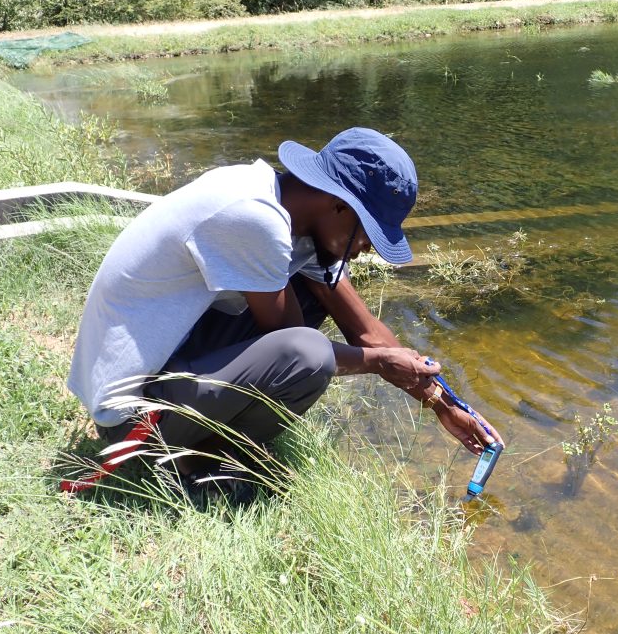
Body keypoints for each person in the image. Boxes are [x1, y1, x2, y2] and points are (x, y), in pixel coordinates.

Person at [67, 127, 503, 501]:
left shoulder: (280, 205)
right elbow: (299, 348)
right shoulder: (253, 218)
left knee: (317, 293)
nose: (367, 248)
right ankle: (198, 461)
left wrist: (444, 405)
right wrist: (376, 363)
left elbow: (365, 331)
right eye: (367, 231)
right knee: (308, 354)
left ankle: (211, 442)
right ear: (337, 205)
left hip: (164, 376)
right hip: (132, 423)